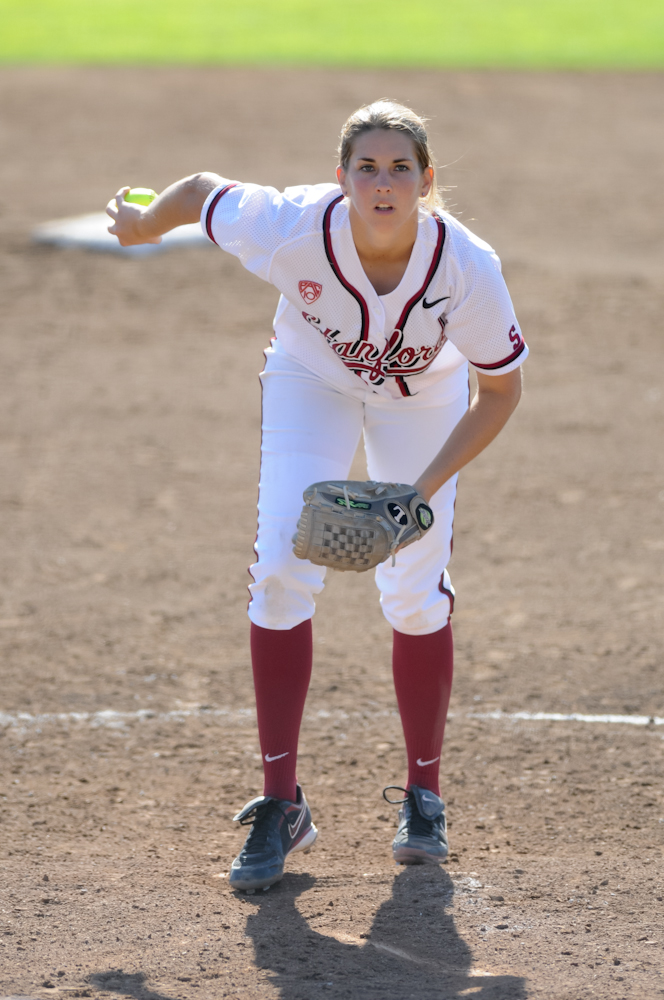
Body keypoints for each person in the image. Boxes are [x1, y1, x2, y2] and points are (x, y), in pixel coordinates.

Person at [107, 99, 527, 893]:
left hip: (423, 399)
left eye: (400, 168)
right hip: (310, 381)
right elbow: (201, 190)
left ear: (427, 181)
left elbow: (500, 393)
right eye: (365, 167)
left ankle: (424, 796)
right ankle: (280, 803)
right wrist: (144, 226)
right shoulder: (295, 225)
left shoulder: (467, 268)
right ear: (340, 177)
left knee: (414, 590)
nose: (382, 183)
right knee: (277, 566)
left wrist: (416, 494)